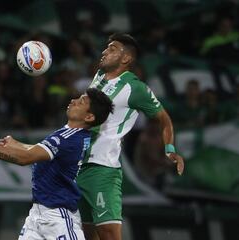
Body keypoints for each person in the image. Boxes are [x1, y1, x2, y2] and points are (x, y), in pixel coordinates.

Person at [0, 88, 114, 240]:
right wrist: (18, 144)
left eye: (81, 102)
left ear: (89, 116)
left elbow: (26, 158)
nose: (73, 101)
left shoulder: (68, 138)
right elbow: (42, 152)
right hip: (37, 216)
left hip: (58, 218)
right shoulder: (72, 135)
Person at [76, 33, 185, 240]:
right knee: (86, 235)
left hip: (103, 170)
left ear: (126, 59)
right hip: (79, 167)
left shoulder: (136, 88)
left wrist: (170, 150)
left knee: (109, 236)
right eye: (106, 47)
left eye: (112, 49)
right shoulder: (99, 76)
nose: (105, 51)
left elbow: (164, 120)